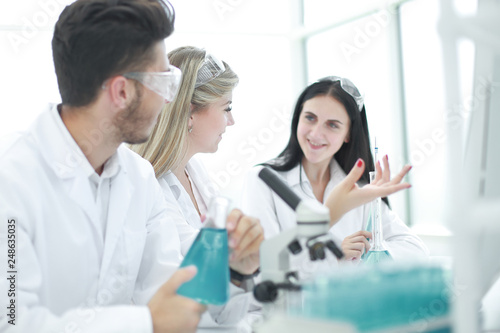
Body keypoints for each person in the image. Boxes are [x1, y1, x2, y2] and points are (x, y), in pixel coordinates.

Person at [0, 1, 259, 332]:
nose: (169, 100)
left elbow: (178, 300)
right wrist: (144, 322)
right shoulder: (10, 177)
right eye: (164, 82)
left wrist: (234, 270)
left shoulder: (139, 178)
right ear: (122, 91)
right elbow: (10, 322)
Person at [131, 46, 263, 328]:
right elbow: (184, 297)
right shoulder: (151, 189)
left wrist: (240, 269)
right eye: (226, 108)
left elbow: (225, 300)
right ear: (190, 112)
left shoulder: (195, 173)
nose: (232, 120)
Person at [241, 76, 429, 265]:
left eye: (332, 125)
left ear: (348, 133)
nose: (315, 133)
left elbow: (415, 250)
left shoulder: (361, 189)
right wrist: (335, 254)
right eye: (310, 118)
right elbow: (264, 262)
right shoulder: (262, 180)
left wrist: (372, 248)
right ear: (297, 118)